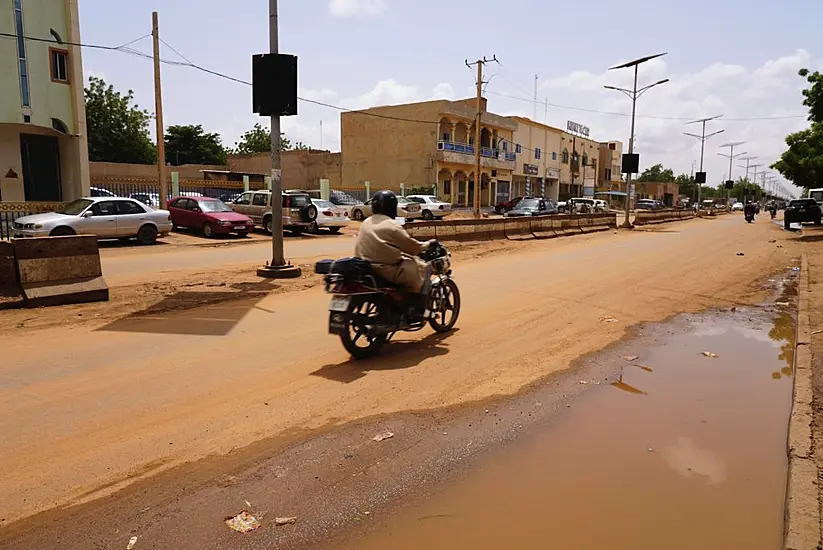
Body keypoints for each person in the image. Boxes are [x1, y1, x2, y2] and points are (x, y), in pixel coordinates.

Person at [355, 190, 434, 318]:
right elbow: (413, 248)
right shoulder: (392, 225)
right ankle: (417, 310)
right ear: (392, 207)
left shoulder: (366, 222)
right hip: (387, 270)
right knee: (422, 268)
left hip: (366, 268)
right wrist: (428, 244)